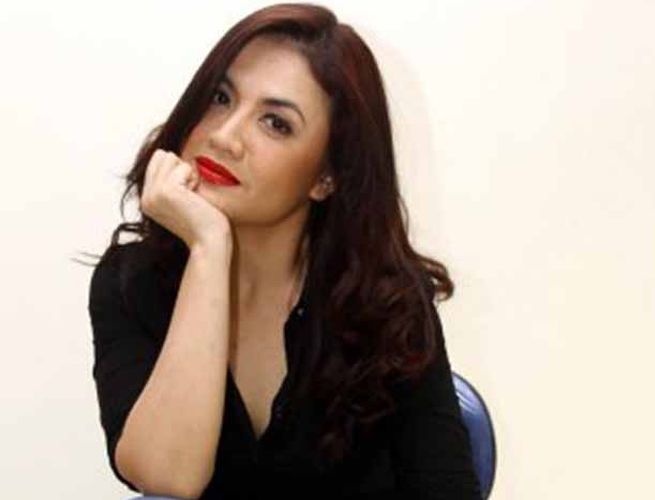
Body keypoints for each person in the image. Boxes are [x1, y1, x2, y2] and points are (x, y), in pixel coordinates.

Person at [87, 3, 482, 499]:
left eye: (275, 123)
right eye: (220, 98)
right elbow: (166, 476)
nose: (224, 137)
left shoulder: (386, 303)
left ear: (326, 177)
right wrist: (208, 249)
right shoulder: (133, 282)